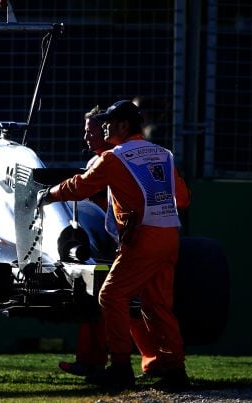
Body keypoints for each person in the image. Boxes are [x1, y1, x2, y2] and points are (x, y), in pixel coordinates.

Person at [40, 100, 190, 389]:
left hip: (143, 237)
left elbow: (81, 186)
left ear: (123, 126)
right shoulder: (164, 154)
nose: (104, 126)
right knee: (158, 305)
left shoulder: (115, 158)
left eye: (109, 122)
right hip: (170, 235)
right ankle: (175, 370)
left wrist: (50, 193)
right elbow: (182, 199)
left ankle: (121, 366)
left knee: (111, 296)